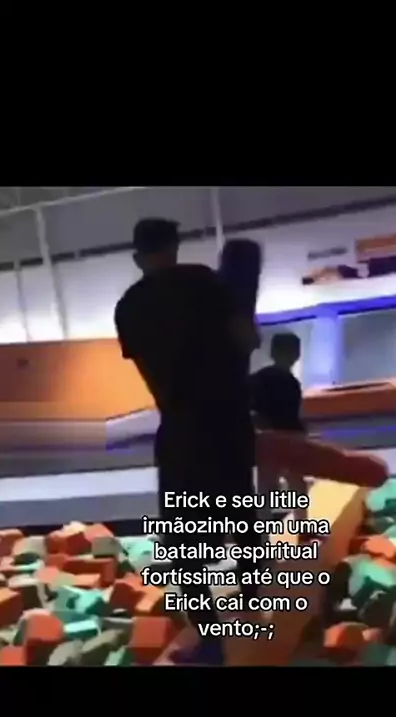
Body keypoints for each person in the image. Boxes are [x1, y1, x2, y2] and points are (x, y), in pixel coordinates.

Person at [114, 219, 262, 665]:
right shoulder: (207, 283)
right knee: (242, 519)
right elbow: (247, 340)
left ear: (137, 257)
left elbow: (153, 372)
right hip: (229, 422)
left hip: (181, 429)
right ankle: (253, 605)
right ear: (175, 247)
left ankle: (212, 642)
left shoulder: (129, 307)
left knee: (184, 546)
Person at [250, 332, 307, 524]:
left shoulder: (260, 378)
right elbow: (291, 414)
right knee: (295, 482)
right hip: (287, 436)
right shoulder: (290, 382)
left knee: (267, 486)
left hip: (270, 437)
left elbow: (252, 408)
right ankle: (301, 524)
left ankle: (263, 530)